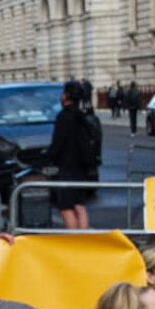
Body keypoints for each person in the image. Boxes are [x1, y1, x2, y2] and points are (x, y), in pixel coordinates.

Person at [44, 80, 104, 229]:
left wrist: (46, 159)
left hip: (66, 167)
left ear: (66, 96)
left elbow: (58, 144)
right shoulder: (83, 116)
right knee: (79, 205)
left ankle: (74, 240)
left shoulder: (64, 117)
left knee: (65, 207)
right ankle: (84, 240)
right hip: (82, 167)